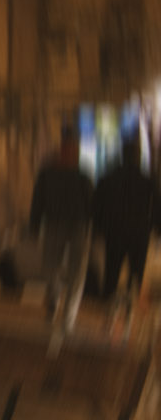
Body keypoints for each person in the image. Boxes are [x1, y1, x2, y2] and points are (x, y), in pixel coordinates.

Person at [29, 128, 95, 353]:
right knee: (50, 267)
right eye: (70, 149)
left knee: (77, 271)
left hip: (78, 227)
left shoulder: (83, 175)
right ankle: (55, 296)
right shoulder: (48, 174)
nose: (72, 154)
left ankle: (68, 318)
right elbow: (38, 200)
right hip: (55, 225)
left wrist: (92, 230)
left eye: (74, 150)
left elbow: (91, 205)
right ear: (62, 150)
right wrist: (34, 225)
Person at [91, 136, 157, 306]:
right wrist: (154, 228)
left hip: (114, 232)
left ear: (122, 155)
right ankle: (130, 304)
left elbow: (97, 206)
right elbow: (157, 208)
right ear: (137, 156)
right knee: (136, 273)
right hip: (139, 234)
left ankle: (108, 305)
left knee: (112, 272)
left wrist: (97, 228)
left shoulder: (107, 180)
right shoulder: (147, 181)